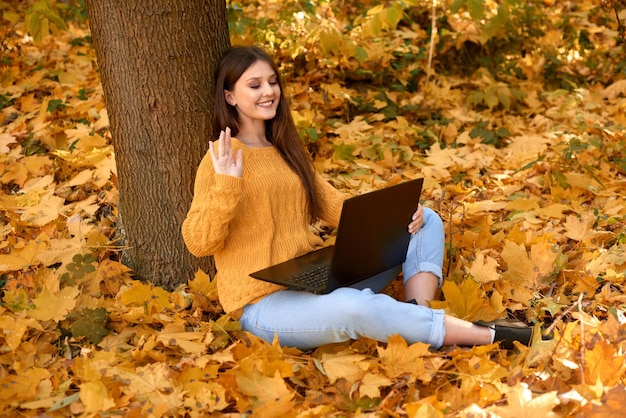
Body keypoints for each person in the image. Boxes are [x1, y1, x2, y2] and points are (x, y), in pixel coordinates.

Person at [182, 45, 533, 351]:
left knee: (426, 220)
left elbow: (338, 208)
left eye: (272, 81)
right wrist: (228, 183)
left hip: (315, 278)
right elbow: (199, 242)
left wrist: (398, 219)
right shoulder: (222, 159)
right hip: (262, 305)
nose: (268, 91)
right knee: (356, 309)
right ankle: (484, 335)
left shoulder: (286, 149)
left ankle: (417, 317)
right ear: (230, 96)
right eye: (254, 85)